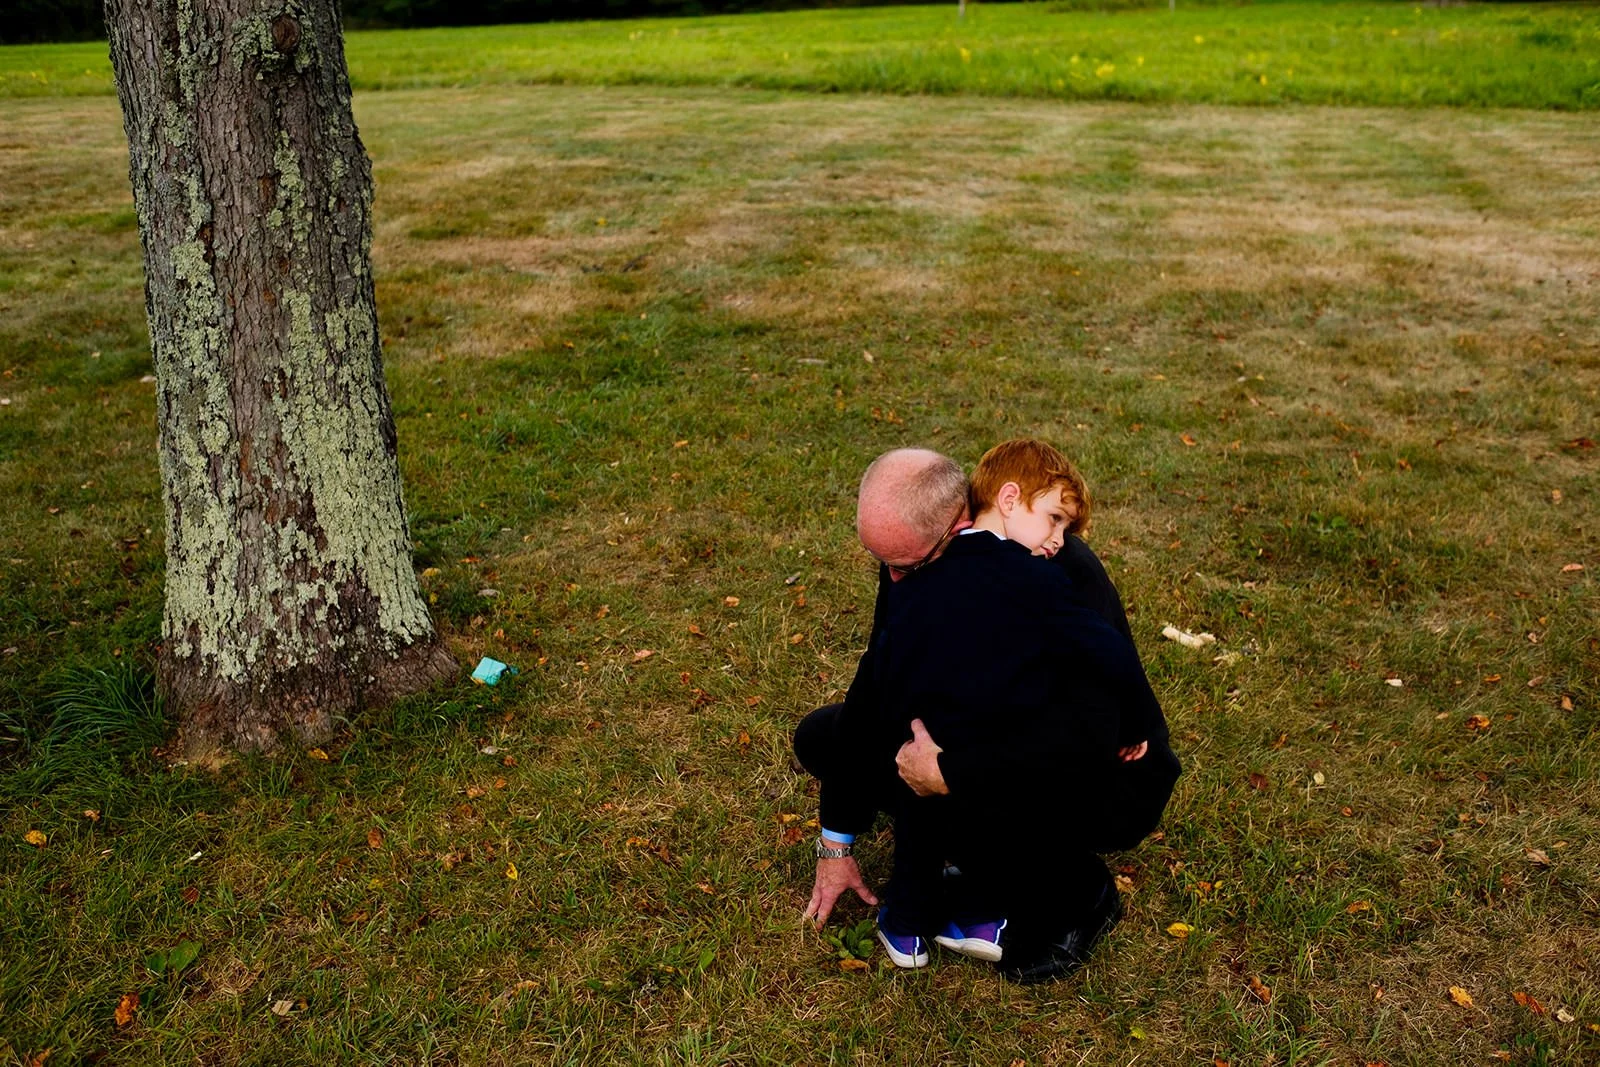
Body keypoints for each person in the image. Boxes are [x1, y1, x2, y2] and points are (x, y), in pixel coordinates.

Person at [794, 445, 1179, 983]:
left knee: (965, 788)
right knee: (823, 736)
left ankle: (1080, 891)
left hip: (1099, 772)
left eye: (907, 565)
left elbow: (1083, 735)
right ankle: (969, 855)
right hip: (986, 734)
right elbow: (877, 687)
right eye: (886, 565)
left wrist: (947, 774)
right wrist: (835, 842)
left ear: (959, 524)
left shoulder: (1054, 572)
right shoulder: (916, 559)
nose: (894, 580)